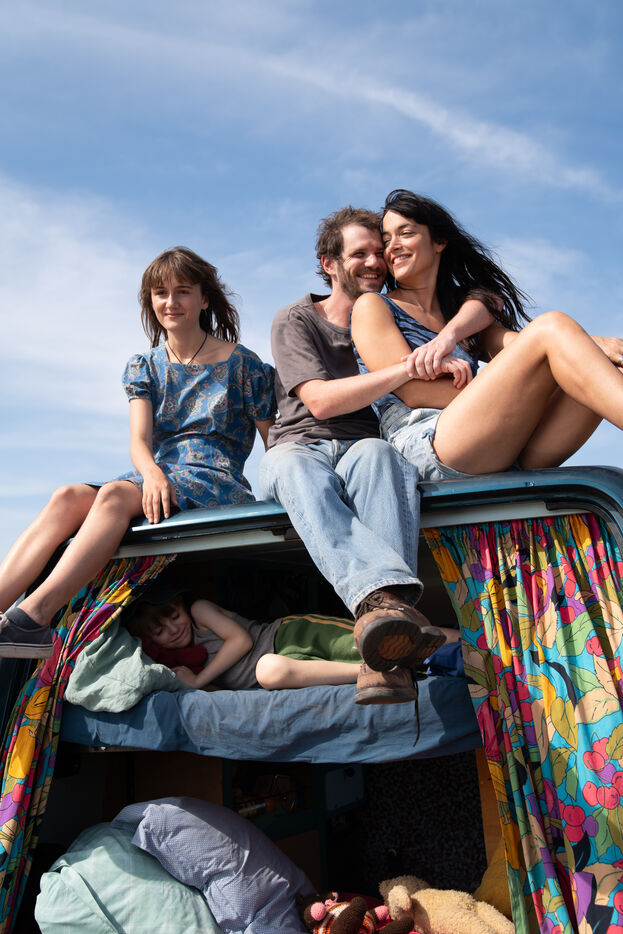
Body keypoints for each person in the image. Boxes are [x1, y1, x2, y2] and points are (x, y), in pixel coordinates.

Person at [258, 207, 491, 705]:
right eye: (358, 254)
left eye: (377, 252)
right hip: (303, 443)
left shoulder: (391, 314)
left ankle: (386, 653)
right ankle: (386, 608)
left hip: (364, 443)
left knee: (383, 458)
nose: (373, 262)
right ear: (329, 264)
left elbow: (480, 302)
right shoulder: (296, 319)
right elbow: (320, 401)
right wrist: (408, 367)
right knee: (295, 467)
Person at [0, 247, 275, 659]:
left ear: (204, 299)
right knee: (67, 496)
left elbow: (274, 440)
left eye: (183, 291)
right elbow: (139, 441)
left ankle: (33, 619)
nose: (171, 302)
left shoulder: (245, 364)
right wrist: (153, 473)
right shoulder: (144, 365)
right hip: (158, 475)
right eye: (161, 293)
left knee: (113, 495)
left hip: (215, 480)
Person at [351, 189, 623, 482]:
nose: (393, 246)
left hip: (498, 444)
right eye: (387, 240)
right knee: (551, 326)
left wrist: (593, 346)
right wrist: (509, 397)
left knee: (605, 366)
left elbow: (525, 346)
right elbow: (413, 392)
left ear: (439, 241)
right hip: (425, 442)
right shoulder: (373, 306)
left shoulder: (460, 313)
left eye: (405, 233)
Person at [125, 582, 461, 698]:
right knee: (268, 672)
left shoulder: (199, 611)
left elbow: (240, 641)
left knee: (389, 640)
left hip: (293, 636)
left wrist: (197, 682)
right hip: (285, 667)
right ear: (150, 640)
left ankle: (473, 642)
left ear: (181, 605)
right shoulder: (185, 665)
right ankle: (378, 672)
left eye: (173, 615)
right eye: (159, 630)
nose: (172, 629)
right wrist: (191, 683)